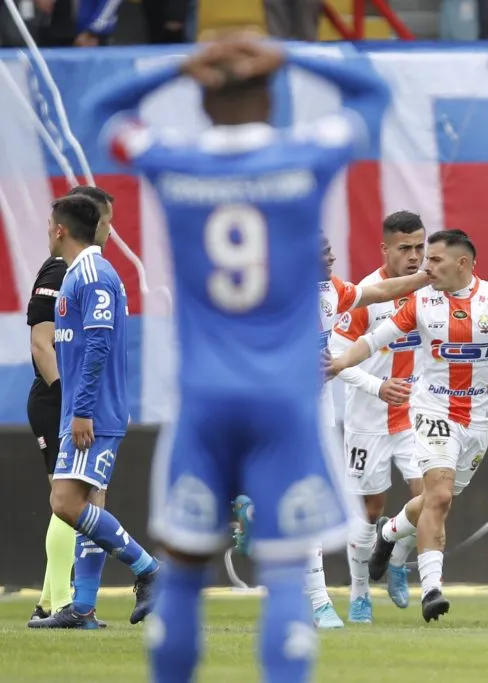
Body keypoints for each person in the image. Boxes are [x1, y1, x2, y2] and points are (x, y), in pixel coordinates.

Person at [82, 32, 391, 682]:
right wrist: (285, 50)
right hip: (285, 401)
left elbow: (100, 112)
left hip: (203, 399)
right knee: (284, 572)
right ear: (273, 97)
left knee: (185, 574)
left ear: (201, 100)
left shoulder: (177, 161)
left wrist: (178, 63)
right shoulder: (304, 156)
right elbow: (373, 91)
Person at [327, 229, 488, 622]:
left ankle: (389, 534)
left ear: (463, 264)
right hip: (433, 411)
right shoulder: (421, 302)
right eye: (424, 257)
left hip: (480, 420)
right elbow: (374, 339)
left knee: (438, 499)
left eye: (435, 259)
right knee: (439, 496)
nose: (425, 265)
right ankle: (432, 590)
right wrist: (339, 363)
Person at [231, 234, 428, 629]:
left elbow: (381, 290)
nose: (333, 256)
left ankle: (257, 511)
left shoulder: (331, 291)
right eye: (324, 253)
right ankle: (320, 603)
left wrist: (426, 277)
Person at [28, 193, 160, 630]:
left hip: (92, 412)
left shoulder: (92, 273)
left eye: (50, 225)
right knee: (87, 505)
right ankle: (82, 608)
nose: (47, 232)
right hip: (83, 411)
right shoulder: (79, 274)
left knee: (65, 503)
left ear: (61, 229)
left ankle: (149, 570)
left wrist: (81, 410)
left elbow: (99, 345)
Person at [330, 209, 428, 623]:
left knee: (433, 498)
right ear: (385, 249)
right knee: (369, 511)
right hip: (369, 419)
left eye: (420, 247)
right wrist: (377, 387)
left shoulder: (431, 292)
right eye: (405, 248)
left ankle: (398, 556)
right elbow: (334, 356)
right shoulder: (366, 294)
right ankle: (358, 594)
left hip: (416, 416)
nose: (414, 256)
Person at [25, 185, 115, 626]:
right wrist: (71, 403)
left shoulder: (92, 272)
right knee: (69, 499)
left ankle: (57, 599)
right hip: (58, 399)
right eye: (106, 221)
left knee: (84, 501)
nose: (111, 231)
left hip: (82, 403)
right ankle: (63, 601)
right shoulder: (61, 269)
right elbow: (43, 345)